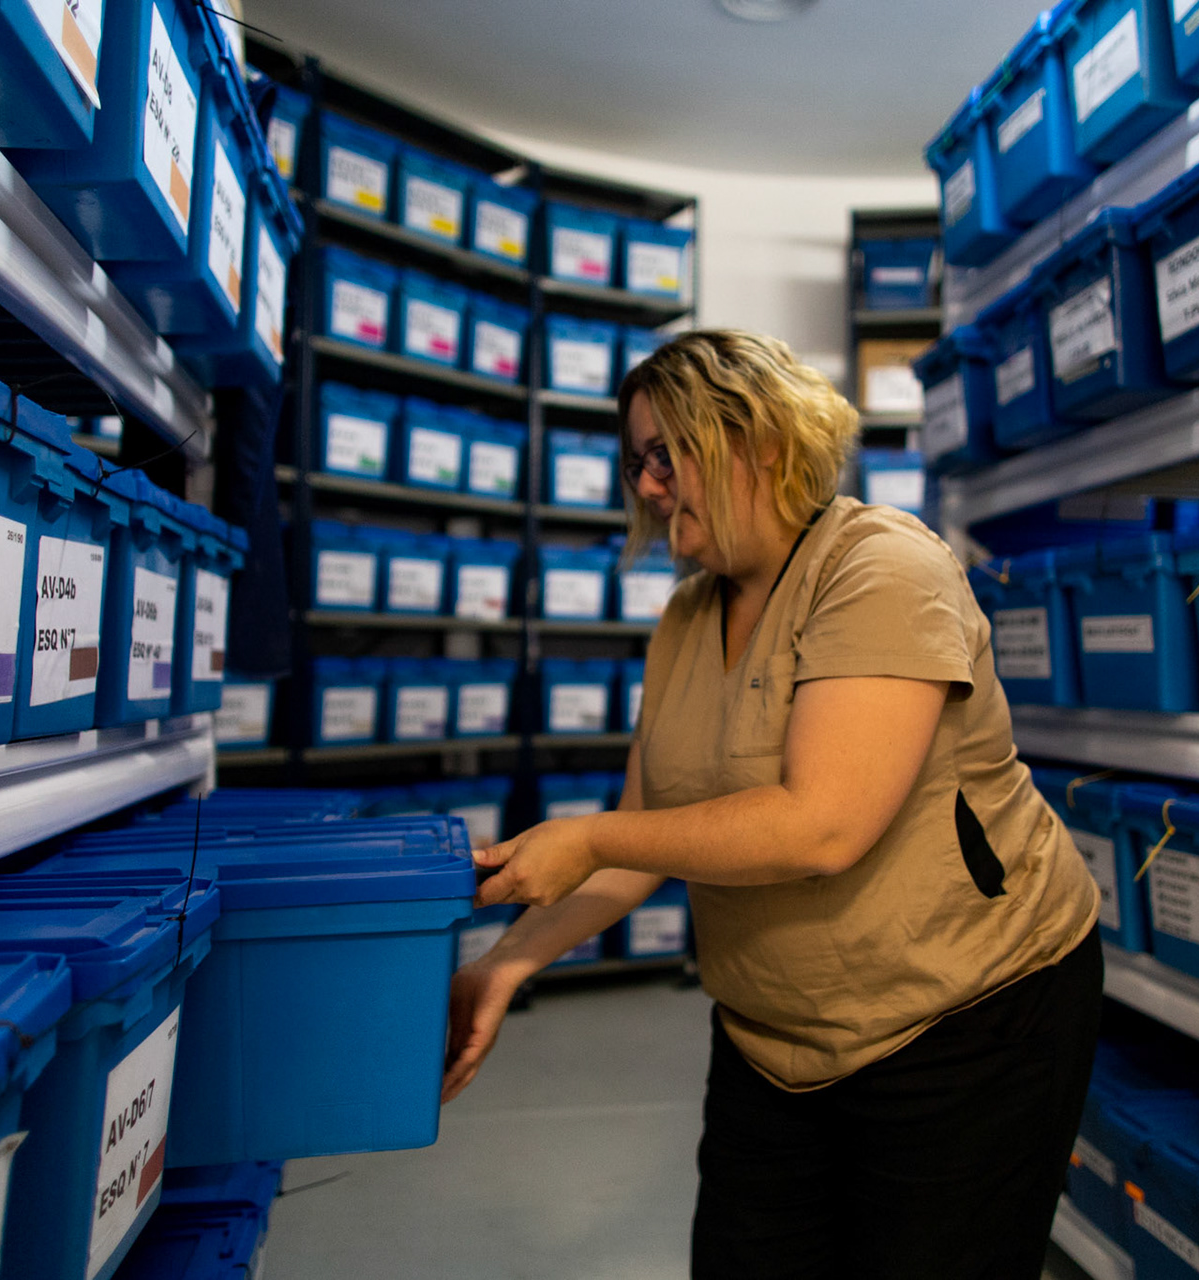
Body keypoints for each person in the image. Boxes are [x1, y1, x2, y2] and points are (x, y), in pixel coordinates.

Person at [445, 330, 1102, 1280]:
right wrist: (506, 964)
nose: (649, 485)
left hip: (966, 1021)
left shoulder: (880, 567)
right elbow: (641, 836)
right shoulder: (686, 616)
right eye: (637, 460)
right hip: (773, 1038)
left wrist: (585, 838)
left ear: (760, 440)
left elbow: (822, 824)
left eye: (669, 453)